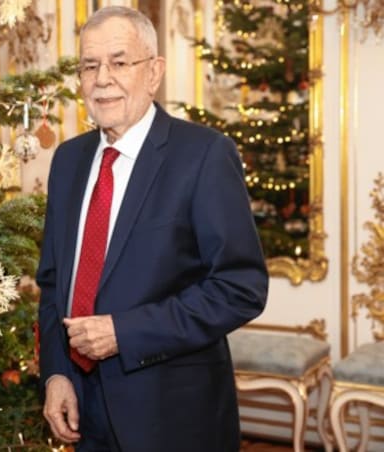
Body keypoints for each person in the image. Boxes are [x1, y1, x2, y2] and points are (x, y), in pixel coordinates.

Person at [36, 6, 268, 452]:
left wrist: (125, 332)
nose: (102, 78)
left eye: (120, 62)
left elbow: (241, 287)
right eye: (89, 65)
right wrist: (57, 372)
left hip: (172, 415)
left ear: (154, 72)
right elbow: (52, 284)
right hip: (83, 409)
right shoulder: (68, 160)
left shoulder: (204, 155)